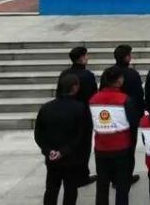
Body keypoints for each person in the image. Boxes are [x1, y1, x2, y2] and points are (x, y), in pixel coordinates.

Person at [35, 73, 92, 205]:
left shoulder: (46, 108)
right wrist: (64, 151)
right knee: (70, 189)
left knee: (51, 189)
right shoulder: (80, 108)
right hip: (71, 157)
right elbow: (82, 135)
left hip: (52, 157)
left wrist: (48, 151)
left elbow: (38, 134)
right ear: (75, 87)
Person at [90, 66, 139, 205]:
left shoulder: (94, 99)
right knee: (122, 185)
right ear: (119, 80)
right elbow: (133, 122)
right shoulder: (125, 99)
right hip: (121, 147)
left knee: (102, 184)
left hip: (101, 147)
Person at [57, 46, 98, 186]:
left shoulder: (64, 74)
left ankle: (70, 173)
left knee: (70, 143)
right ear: (81, 58)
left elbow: (58, 94)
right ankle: (82, 176)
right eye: (86, 55)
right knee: (84, 145)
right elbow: (93, 96)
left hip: (66, 113)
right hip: (83, 115)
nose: (87, 58)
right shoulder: (87, 75)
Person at [113, 44, 144, 185]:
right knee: (129, 147)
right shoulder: (133, 74)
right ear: (126, 57)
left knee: (115, 146)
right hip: (130, 116)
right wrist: (140, 114)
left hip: (113, 115)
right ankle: (126, 176)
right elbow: (139, 95)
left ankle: (115, 176)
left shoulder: (109, 73)